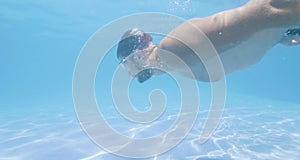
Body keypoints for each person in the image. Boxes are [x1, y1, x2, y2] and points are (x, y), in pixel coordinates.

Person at [117, 0, 300, 83]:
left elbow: (262, 11)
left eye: (128, 65)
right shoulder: (175, 64)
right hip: (284, 26)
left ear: (139, 56)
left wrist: (288, 16)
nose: (132, 73)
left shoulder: (171, 52)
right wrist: (277, 38)